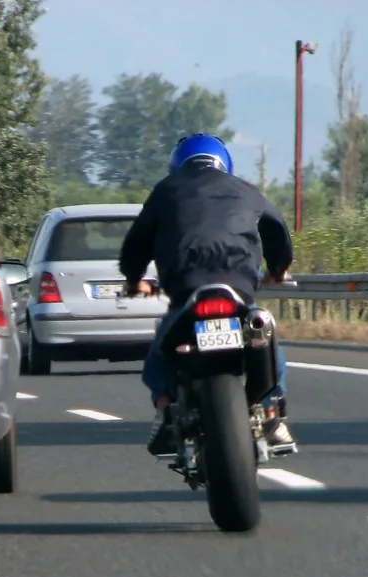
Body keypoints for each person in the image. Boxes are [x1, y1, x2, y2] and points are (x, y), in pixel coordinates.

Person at [117, 133, 297, 457]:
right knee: (265, 338)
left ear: (177, 164)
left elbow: (136, 243)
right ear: (224, 162)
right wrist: (278, 270)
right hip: (238, 286)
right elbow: (277, 230)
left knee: (158, 356)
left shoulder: (166, 191)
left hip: (188, 287)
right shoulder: (246, 190)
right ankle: (273, 415)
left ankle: (165, 413)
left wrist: (133, 279)